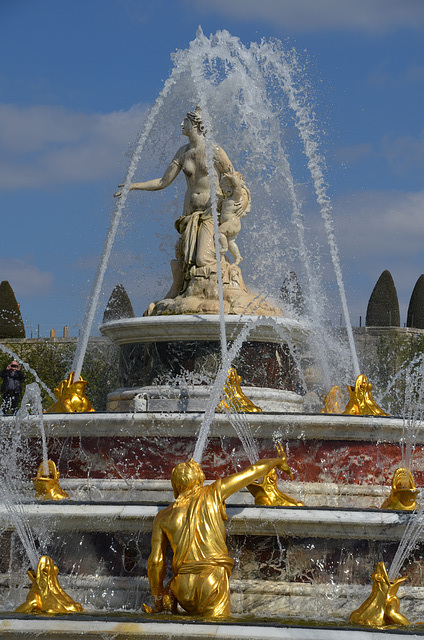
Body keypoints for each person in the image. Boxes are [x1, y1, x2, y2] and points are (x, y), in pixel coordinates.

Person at [145, 444, 291, 618]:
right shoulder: (212, 493)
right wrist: (278, 461)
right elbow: (253, 471)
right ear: (199, 479)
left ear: (175, 485)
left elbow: (155, 563)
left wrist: (158, 598)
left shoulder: (163, 516)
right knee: (215, 632)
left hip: (181, 586)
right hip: (211, 580)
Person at [115, 107, 234, 285]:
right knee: (187, 260)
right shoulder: (182, 152)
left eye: (185, 122)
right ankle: (192, 290)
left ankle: (220, 285)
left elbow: (233, 178)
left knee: (202, 258)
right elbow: (163, 182)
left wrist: (234, 206)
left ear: (196, 124)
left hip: (211, 211)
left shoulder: (214, 150)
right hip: (189, 213)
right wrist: (133, 186)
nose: (181, 124)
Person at [218, 169, 250, 266]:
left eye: (230, 187)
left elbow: (237, 188)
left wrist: (233, 178)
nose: (227, 189)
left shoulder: (234, 198)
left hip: (232, 223)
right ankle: (237, 257)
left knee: (218, 232)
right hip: (231, 224)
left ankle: (223, 248)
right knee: (231, 242)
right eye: (224, 187)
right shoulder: (226, 199)